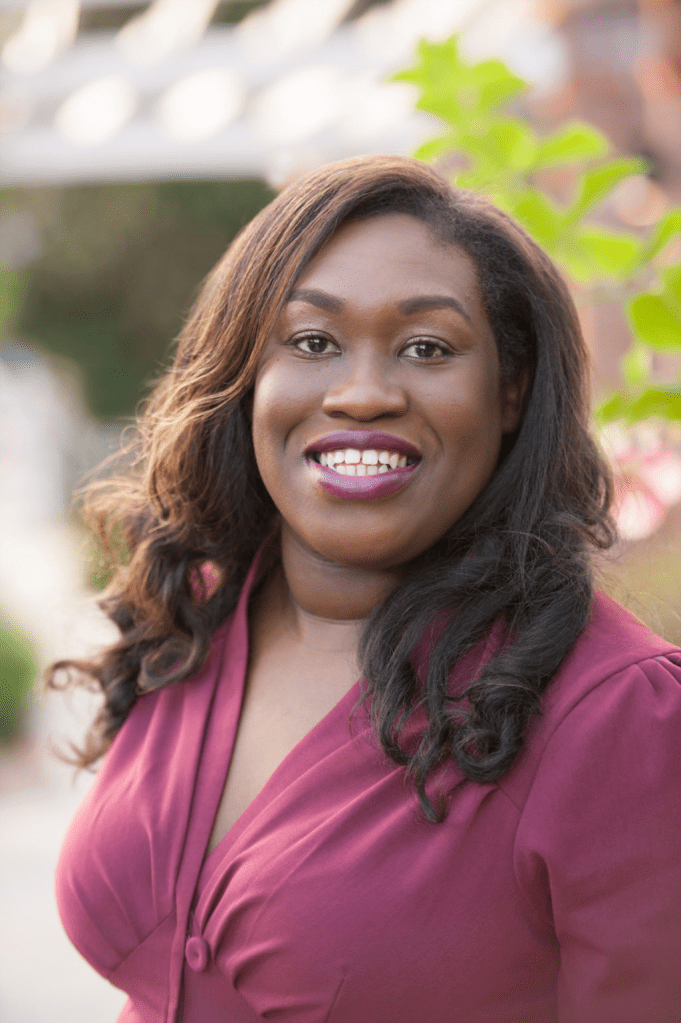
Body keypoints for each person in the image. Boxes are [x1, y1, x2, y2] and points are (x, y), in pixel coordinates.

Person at [53, 155, 681, 1023]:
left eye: (427, 348)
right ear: (244, 376)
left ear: (510, 392)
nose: (361, 393)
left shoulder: (618, 720)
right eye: (312, 342)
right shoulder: (199, 612)